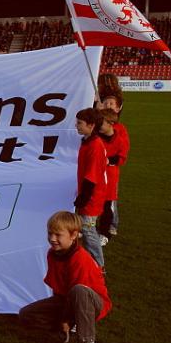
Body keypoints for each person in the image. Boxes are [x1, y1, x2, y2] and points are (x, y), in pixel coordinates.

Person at [19, 211, 111, 343]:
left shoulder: (80, 258)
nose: (52, 239)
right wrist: (61, 316)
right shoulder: (52, 254)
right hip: (67, 299)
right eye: (50, 233)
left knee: (79, 290)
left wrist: (65, 318)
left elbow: (79, 292)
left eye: (58, 235)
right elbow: (58, 288)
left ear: (73, 235)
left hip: (91, 303)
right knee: (26, 315)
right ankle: (69, 326)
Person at [74, 108, 108, 268]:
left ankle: (99, 266)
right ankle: (88, 261)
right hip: (87, 194)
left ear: (91, 125)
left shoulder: (95, 146)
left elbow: (92, 176)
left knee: (88, 231)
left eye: (80, 123)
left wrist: (84, 198)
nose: (76, 126)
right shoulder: (87, 141)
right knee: (85, 229)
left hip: (92, 197)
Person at [98, 107, 129, 238]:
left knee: (107, 206)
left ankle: (105, 234)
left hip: (110, 177)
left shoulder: (119, 140)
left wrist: (107, 160)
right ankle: (88, 227)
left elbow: (121, 158)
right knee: (92, 203)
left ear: (111, 123)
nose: (98, 126)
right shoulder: (96, 138)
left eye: (101, 123)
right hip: (96, 176)